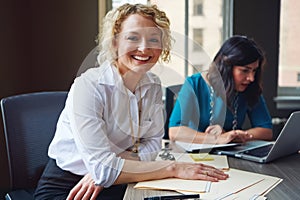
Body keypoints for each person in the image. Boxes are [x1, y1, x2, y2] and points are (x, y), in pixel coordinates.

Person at [34, 3, 228, 200]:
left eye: (153, 39)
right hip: (69, 188)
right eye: (133, 38)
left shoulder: (153, 84)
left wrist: (110, 169)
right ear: (115, 42)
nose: (144, 48)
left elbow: (152, 146)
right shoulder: (89, 86)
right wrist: (172, 167)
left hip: (115, 179)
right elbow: (105, 170)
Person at [169, 35, 273, 145]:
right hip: (195, 155)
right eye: (245, 71)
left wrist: (236, 136)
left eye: (254, 71)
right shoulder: (194, 84)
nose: (251, 78)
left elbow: (266, 131)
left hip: (232, 154)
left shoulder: (249, 87)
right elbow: (175, 132)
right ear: (227, 67)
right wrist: (218, 139)